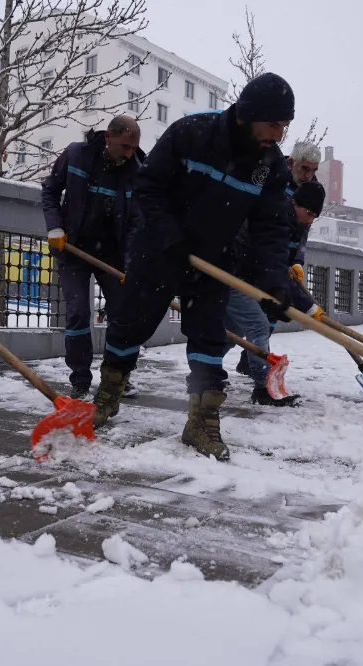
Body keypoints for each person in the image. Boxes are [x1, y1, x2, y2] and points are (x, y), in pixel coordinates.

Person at [91, 72, 318, 462]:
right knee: (131, 323)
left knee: (210, 337)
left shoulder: (270, 167)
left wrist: (275, 284)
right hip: (160, 248)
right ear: (249, 114)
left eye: (285, 126)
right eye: (275, 124)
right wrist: (171, 237)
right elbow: (149, 187)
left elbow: (270, 231)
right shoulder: (190, 134)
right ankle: (107, 396)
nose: (279, 136)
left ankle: (201, 422)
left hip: (214, 257)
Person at [42, 116, 146, 399]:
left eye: (133, 149)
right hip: (73, 247)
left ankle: (119, 375)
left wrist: (130, 264)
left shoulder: (137, 172)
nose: (128, 154)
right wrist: (55, 226)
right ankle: (80, 380)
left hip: (112, 254)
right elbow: (50, 191)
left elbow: (137, 222)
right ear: (108, 137)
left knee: (123, 315)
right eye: (124, 146)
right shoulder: (76, 155)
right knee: (77, 314)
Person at [227, 180, 324, 406]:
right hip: (230, 273)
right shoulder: (277, 218)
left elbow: (277, 262)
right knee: (258, 325)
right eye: (307, 212)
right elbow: (272, 265)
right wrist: (306, 306)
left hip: (244, 275)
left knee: (233, 328)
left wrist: (295, 263)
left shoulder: (291, 221)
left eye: (314, 216)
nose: (309, 219)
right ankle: (262, 388)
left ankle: (205, 371)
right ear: (294, 203)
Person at [237, 140, 322, 376]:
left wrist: (297, 261)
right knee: (256, 314)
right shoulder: (272, 177)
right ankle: (250, 360)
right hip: (255, 250)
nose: (309, 175)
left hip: (281, 255)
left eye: (314, 170)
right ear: (291, 163)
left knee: (275, 310)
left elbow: (304, 231)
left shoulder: (311, 191)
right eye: (305, 168)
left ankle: (251, 357)